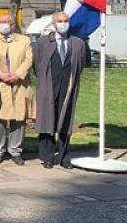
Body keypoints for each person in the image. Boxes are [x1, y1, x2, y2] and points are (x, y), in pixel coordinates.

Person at [34, 12, 85, 169]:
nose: (63, 23)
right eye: (60, 21)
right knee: (47, 120)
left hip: (67, 87)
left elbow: (81, 64)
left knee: (65, 121)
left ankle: (64, 157)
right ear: (53, 24)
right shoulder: (42, 42)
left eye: (66, 20)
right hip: (48, 86)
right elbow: (37, 65)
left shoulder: (77, 43)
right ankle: (47, 157)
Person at [0, 14, 34, 166]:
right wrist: (0, 75)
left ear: (13, 24)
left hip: (20, 84)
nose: (4, 24)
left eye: (7, 22)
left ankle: (15, 151)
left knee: (18, 119)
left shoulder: (24, 40)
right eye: (1, 22)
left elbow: (28, 59)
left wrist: (18, 75)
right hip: (0, 84)